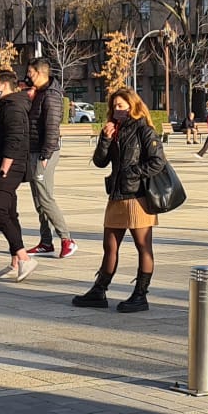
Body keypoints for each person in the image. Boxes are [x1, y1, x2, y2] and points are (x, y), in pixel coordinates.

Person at [73, 87, 168, 313]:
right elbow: (99, 162)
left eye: (121, 106)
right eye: (114, 106)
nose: (116, 110)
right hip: (116, 196)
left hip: (138, 197)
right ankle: (99, 291)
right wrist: (105, 139)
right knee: (109, 246)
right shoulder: (113, 129)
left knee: (143, 246)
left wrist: (131, 172)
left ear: (132, 107)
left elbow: (158, 162)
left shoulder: (144, 130)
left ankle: (140, 295)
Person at [0, 68, 37, 281]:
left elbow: (16, 139)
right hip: (5, 167)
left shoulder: (13, 107)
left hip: (8, 168)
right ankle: (16, 262)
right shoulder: (10, 105)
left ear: (4, 85)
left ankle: (25, 258)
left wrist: (4, 167)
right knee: (10, 212)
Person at [23, 58, 76, 259]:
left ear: (41, 73)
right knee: (39, 200)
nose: (28, 77)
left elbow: (52, 128)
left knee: (45, 197)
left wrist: (45, 155)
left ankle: (67, 239)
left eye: (31, 73)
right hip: (34, 150)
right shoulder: (40, 92)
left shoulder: (51, 96)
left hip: (45, 153)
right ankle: (46, 242)